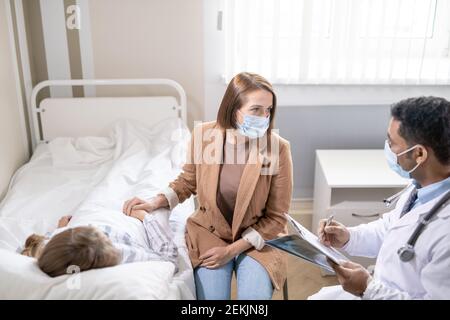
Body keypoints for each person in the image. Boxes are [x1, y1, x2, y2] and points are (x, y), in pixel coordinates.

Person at [123, 72, 294, 300]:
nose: (264, 117)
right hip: (210, 232)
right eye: (256, 110)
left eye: (268, 110)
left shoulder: (276, 149)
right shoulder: (204, 135)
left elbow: (276, 217)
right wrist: (155, 201)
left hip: (258, 238)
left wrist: (231, 251)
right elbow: (188, 181)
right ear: (235, 109)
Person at [310, 96, 450, 300]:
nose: (387, 148)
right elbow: (391, 229)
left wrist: (367, 288)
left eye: (392, 143)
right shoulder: (423, 188)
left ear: (419, 154)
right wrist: (349, 236)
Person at [22, 209, 178, 277]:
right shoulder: (119, 254)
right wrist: (145, 218)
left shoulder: (55, 257)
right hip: (117, 223)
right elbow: (169, 260)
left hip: (74, 231)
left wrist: (61, 229)